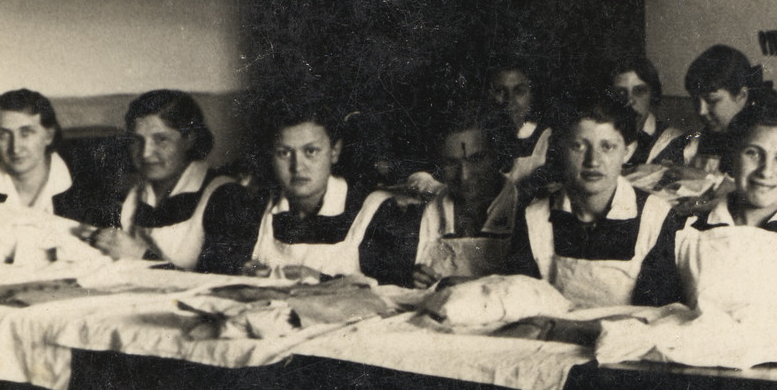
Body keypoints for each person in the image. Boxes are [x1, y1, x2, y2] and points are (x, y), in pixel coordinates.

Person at [635, 103, 777, 312]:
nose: (766, 171)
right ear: (733, 158)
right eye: (753, 153)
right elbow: (658, 315)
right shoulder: (684, 229)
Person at [200, 101, 419, 283]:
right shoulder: (255, 207)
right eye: (284, 153)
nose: (297, 167)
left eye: (311, 151)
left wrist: (321, 281)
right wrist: (242, 271)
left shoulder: (373, 210)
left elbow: (393, 296)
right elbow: (215, 273)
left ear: (334, 152)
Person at [502, 94, 676, 307]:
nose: (593, 161)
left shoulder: (655, 216)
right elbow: (520, 304)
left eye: (608, 147)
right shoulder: (534, 217)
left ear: (627, 152)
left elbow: (656, 313)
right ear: (561, 149)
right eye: (578, 146)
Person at [0, 88, 103, 263]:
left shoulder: (88, 188)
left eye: (26, 133)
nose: (15, 147)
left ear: (48, 135)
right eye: (3, 135)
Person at [85, 90, 235, 269]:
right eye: (137, 140)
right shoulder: (135, 194)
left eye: (161, 139)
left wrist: (140, 256)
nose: (146, 153)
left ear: (189, 139)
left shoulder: (225, 196)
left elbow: (220, 286)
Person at [410, 106, 514, 289]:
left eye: (476, 159)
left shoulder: (523, 208)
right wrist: (416, 275)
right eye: (451, 163)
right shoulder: (430, 211)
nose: (464, 175)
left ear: (499, 155)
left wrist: (478, 287)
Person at [652, 44, 777, 172]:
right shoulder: (707, 137)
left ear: (742, 95)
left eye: (711, 100)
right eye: (695, 100)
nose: (701, 111)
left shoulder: (769, 138)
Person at [485, 61, 552, 191]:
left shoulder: (547, 140)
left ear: (531, 94)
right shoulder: (482, 137)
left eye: (519, 91)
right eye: (500, 91)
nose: (509, 101)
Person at [608, 55, 684, 167]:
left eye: (639, 91)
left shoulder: (671, 140)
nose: (630, 101)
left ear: (652, 95)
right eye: (621, 93)